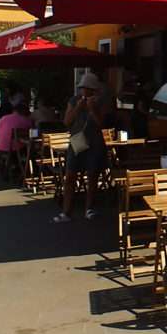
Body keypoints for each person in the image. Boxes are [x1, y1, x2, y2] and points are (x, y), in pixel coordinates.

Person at [53, 73, 108, 222]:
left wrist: (92, 109)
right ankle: (66, 211)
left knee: (92, 176)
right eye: (83, 88)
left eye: (88, 89)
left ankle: (89, 208)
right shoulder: (74, 100)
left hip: (94, 142)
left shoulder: (100, 102)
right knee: (70, 175)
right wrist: (78, 107)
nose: (84, 91)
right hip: (77, 141)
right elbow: (67, 121)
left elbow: (101, 123)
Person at [0, 103, 33, 171]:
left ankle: (14, 168)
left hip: (1, 147)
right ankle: (29, 170)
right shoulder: (26, 120)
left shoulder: (3, 118)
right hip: (17, 149)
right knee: (30, 148)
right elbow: (32, 132)